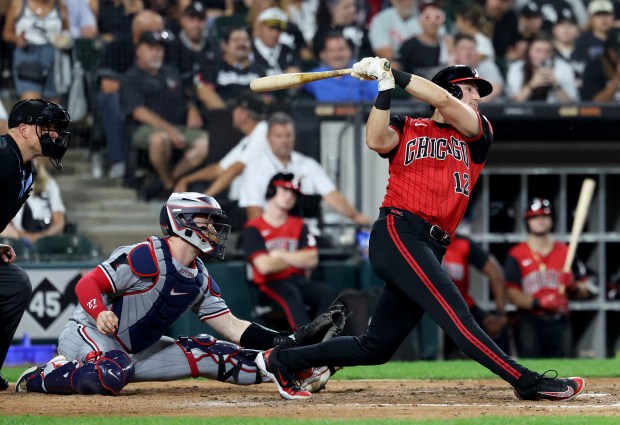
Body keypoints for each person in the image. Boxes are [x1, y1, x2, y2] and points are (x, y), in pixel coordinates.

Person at [253, 58, 585, 401]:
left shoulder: (477, 133)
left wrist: (392, 73)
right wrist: (384, 89)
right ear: (450, 88)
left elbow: (443, 102)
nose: (476, 97)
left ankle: (282, 359)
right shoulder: (408, 124)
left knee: (376, 347)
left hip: (432, 245)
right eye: (470, 89)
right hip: (399, 231)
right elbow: (375, 139)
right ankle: (528, 382)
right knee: (458, 319)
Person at [15, 192, 329, 395]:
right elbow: (87, 284)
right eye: (206, 222)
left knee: (212, 352)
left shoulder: (200, 277)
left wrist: (288, 343)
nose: (213, 230)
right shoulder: (146, 255)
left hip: (135, 351)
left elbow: (233, 327)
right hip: (87, 333)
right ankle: (41, 377)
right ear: (182, 222)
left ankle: (286, 367)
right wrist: (100, 312)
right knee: (112, 372)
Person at [0, 98, 71, 391]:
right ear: (25, 129)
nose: (54, 134)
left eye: (55, 129)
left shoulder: (25, 168)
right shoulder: (3, 158)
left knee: (15, 284)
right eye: (48, 127)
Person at [242, 173, 339, 331]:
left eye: (294, 193)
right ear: (272, 190)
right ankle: (304, 344)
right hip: (270, 284)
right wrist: (296, 260)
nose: (289, 196)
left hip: (298, 279)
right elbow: (265, 266)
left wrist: (280, 255)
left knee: (328, 295)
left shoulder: (299, 225)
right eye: (285, 190)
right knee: (291, 296)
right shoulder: (254, 227)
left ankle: (321, 340)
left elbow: (311, 260)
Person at [238, 112, 371, 227]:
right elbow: (254, 211)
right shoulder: (254, 168)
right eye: (278, 136)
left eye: (288, 136)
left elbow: (331, 195)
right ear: (268, 138)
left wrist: (356, 216)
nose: (284, 141)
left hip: (307, 235)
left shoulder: (308, 165)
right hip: (272, 235)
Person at [120, 30, 209, 197]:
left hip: (179, 125)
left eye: (159, 49)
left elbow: (186, 95)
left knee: (207, 142)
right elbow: (138, 111)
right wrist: (169, 130)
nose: (156, 53)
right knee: (159, 140)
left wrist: (192, 110)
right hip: (146, 129)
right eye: (151, 48)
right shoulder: (132, 77)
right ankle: (169, 183)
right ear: (139, 50)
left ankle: (167, 181)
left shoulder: (170, 72)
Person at [504, 198, 594, 358]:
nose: (540, 220)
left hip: (560, 319)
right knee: (530, 370)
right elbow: (511, 294)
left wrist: (574, 287)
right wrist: (539, 303)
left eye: (545, 216)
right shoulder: (516, 254)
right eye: (535, 217)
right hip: (529, 320)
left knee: (563, 369)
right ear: (527, 221)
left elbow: (587, 290)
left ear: (552, 220)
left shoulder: (567, 252)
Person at [174, 93, 268, 202]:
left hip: (258, 203)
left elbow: (235, 169)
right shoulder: (248, 139)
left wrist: (204, 199)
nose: (232, 113)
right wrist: (187, 179)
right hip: (243, 203)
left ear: (244, 114)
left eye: (235, 109)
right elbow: (219, 169)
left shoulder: (264, 132)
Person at [442, 232, 510, 358]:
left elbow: (495, 272)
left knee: (498, 330)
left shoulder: (462, 242)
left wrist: (501, 314)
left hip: (460, 307)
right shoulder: (419, 239)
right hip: (431, 308)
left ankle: (505, 373)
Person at [2, 0, 71, 101]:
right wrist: (17, 39)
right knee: (32, 105)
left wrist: (64, 38)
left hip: (53, 58)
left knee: (53, 108)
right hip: (27, 57)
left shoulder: (60, 5)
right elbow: (6, 33)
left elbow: (66, 30)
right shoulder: (19, 3)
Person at [0, 157, 66, 251]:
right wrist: (21, 235)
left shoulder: (49, 184)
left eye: (34, 159)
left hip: (45, 239)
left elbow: (59, 222)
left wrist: (41, 237)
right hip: (16, 240)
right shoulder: (8, 183)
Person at [301, 30, 377, 102]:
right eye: (332, 50)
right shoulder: (316, 76)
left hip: (363, 115)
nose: (337, 55)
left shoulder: (364, 73)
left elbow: (381, 99)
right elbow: (295, 83)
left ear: (350, 51)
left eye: (341, 49)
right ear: (323, 55)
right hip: (325, 116)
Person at [506, 33, 578, 103]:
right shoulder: (517, 68)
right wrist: (531, 85)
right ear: (529, 52)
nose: (543, 56)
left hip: (553, 113)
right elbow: (513, 104)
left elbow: (571, 105)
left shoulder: (563, 68)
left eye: (547, 51)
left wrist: (556, 85)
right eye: (538, 51)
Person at [580, 27, 620, 102]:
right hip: (608, 113)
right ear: (609, 50)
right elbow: (595, 104)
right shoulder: (595, 67)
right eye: (618, 52)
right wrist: (617, 78)